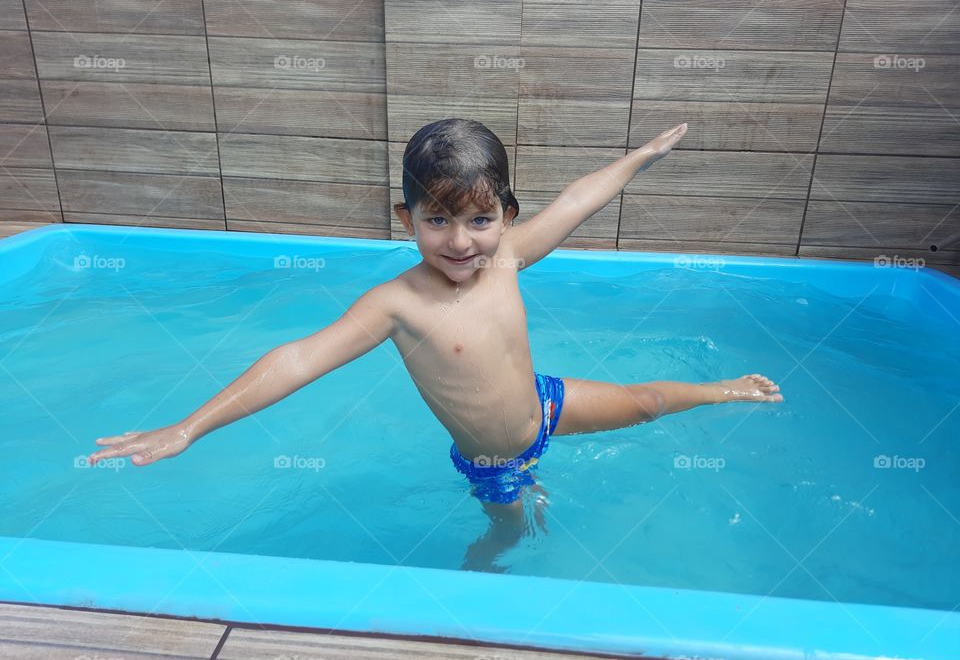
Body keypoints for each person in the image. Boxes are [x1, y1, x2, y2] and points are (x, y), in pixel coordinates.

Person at [89, 119, 782, 571]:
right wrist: (189, 427)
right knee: (517, 535)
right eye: (438, 219)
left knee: (650, 398)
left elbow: (577, 201)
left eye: (480, 219)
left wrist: (637, 157)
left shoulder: (506, 256)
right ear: (407, 218)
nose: (460, 241)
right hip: (493, 460)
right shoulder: (396, 305)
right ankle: (480, 564)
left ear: (505, 217)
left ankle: (727, 390)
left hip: (546, 405)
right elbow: (297, 358)